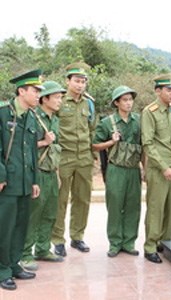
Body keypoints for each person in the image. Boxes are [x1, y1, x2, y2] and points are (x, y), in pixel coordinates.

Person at [0, 69, 42, 290]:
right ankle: (2, 269)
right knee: (4, 227)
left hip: (25, 181)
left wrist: (35, 180)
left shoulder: (32, 116)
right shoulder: (3, 113)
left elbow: (32, 152)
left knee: (20, 226)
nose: (38, 95)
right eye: (35, 91)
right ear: (21, 91)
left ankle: (14, 264)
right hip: (7, 183)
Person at [52, 62, 97, 257]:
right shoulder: (59, 101)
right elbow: (52, 127)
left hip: (84, 158)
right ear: (68, 81)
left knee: (82, 199)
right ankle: (58, 239)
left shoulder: (89, 103)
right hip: (65, 156)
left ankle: (77, 236)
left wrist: (93, 156)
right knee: (60, 199)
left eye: (83, 81)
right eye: (77, 81)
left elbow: (92, 129)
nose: (80, 85)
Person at [92, 86, 142, 258]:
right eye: (125, 100)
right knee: (114, 206)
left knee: (133, 207)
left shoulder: (138, 120)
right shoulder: (107, 122)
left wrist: (145, 170)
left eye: (130, 99)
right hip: (116, 169)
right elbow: (94, 145)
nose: (129, 103)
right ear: (116, 103)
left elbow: (144, 147)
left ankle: (129, 242)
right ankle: (115, 243)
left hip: (133, 169)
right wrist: (110, 142)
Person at [20, 81, 65, 271]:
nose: (59, 101)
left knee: (49, 213)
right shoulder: (32, 117)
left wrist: (58, 172)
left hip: (51, 172)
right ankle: (24, 253)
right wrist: (44, 142)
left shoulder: (54, 119)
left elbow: (56, 148)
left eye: (61, 98)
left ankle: (43, 248)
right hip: (36, 173)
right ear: (44, 99)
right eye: (56, 97)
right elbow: (23, 147)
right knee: (33, 214)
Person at [141, 73, 171, 264]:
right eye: (168, 89)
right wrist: (164, 166)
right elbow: (148, 144)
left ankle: (164, 242)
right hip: (159, 168)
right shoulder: (150, 112)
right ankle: (150, 245)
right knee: (156, 208)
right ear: (158, 91)